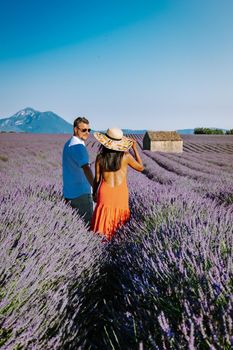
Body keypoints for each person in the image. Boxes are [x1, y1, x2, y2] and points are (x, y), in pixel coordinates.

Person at [91, 127, 144, 240]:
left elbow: (97, 179)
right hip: (121, 193)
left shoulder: (100, 158)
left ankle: (100, 244)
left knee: (103, 218)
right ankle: (118, 246)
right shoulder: (126, 157)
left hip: (105, 192)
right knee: (120, 220)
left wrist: (94, 193)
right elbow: (141, 167)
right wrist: (135, 149)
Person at [62, 116, 94, 226]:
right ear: (76, 129)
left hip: (69, 192)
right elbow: (86, 168)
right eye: (84, 130)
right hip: (82, 193)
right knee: (88, 226)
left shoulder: (68, 144)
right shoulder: (78, 146)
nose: (87, 133)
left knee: (75, 225)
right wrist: (95, 186)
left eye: (89, 130)